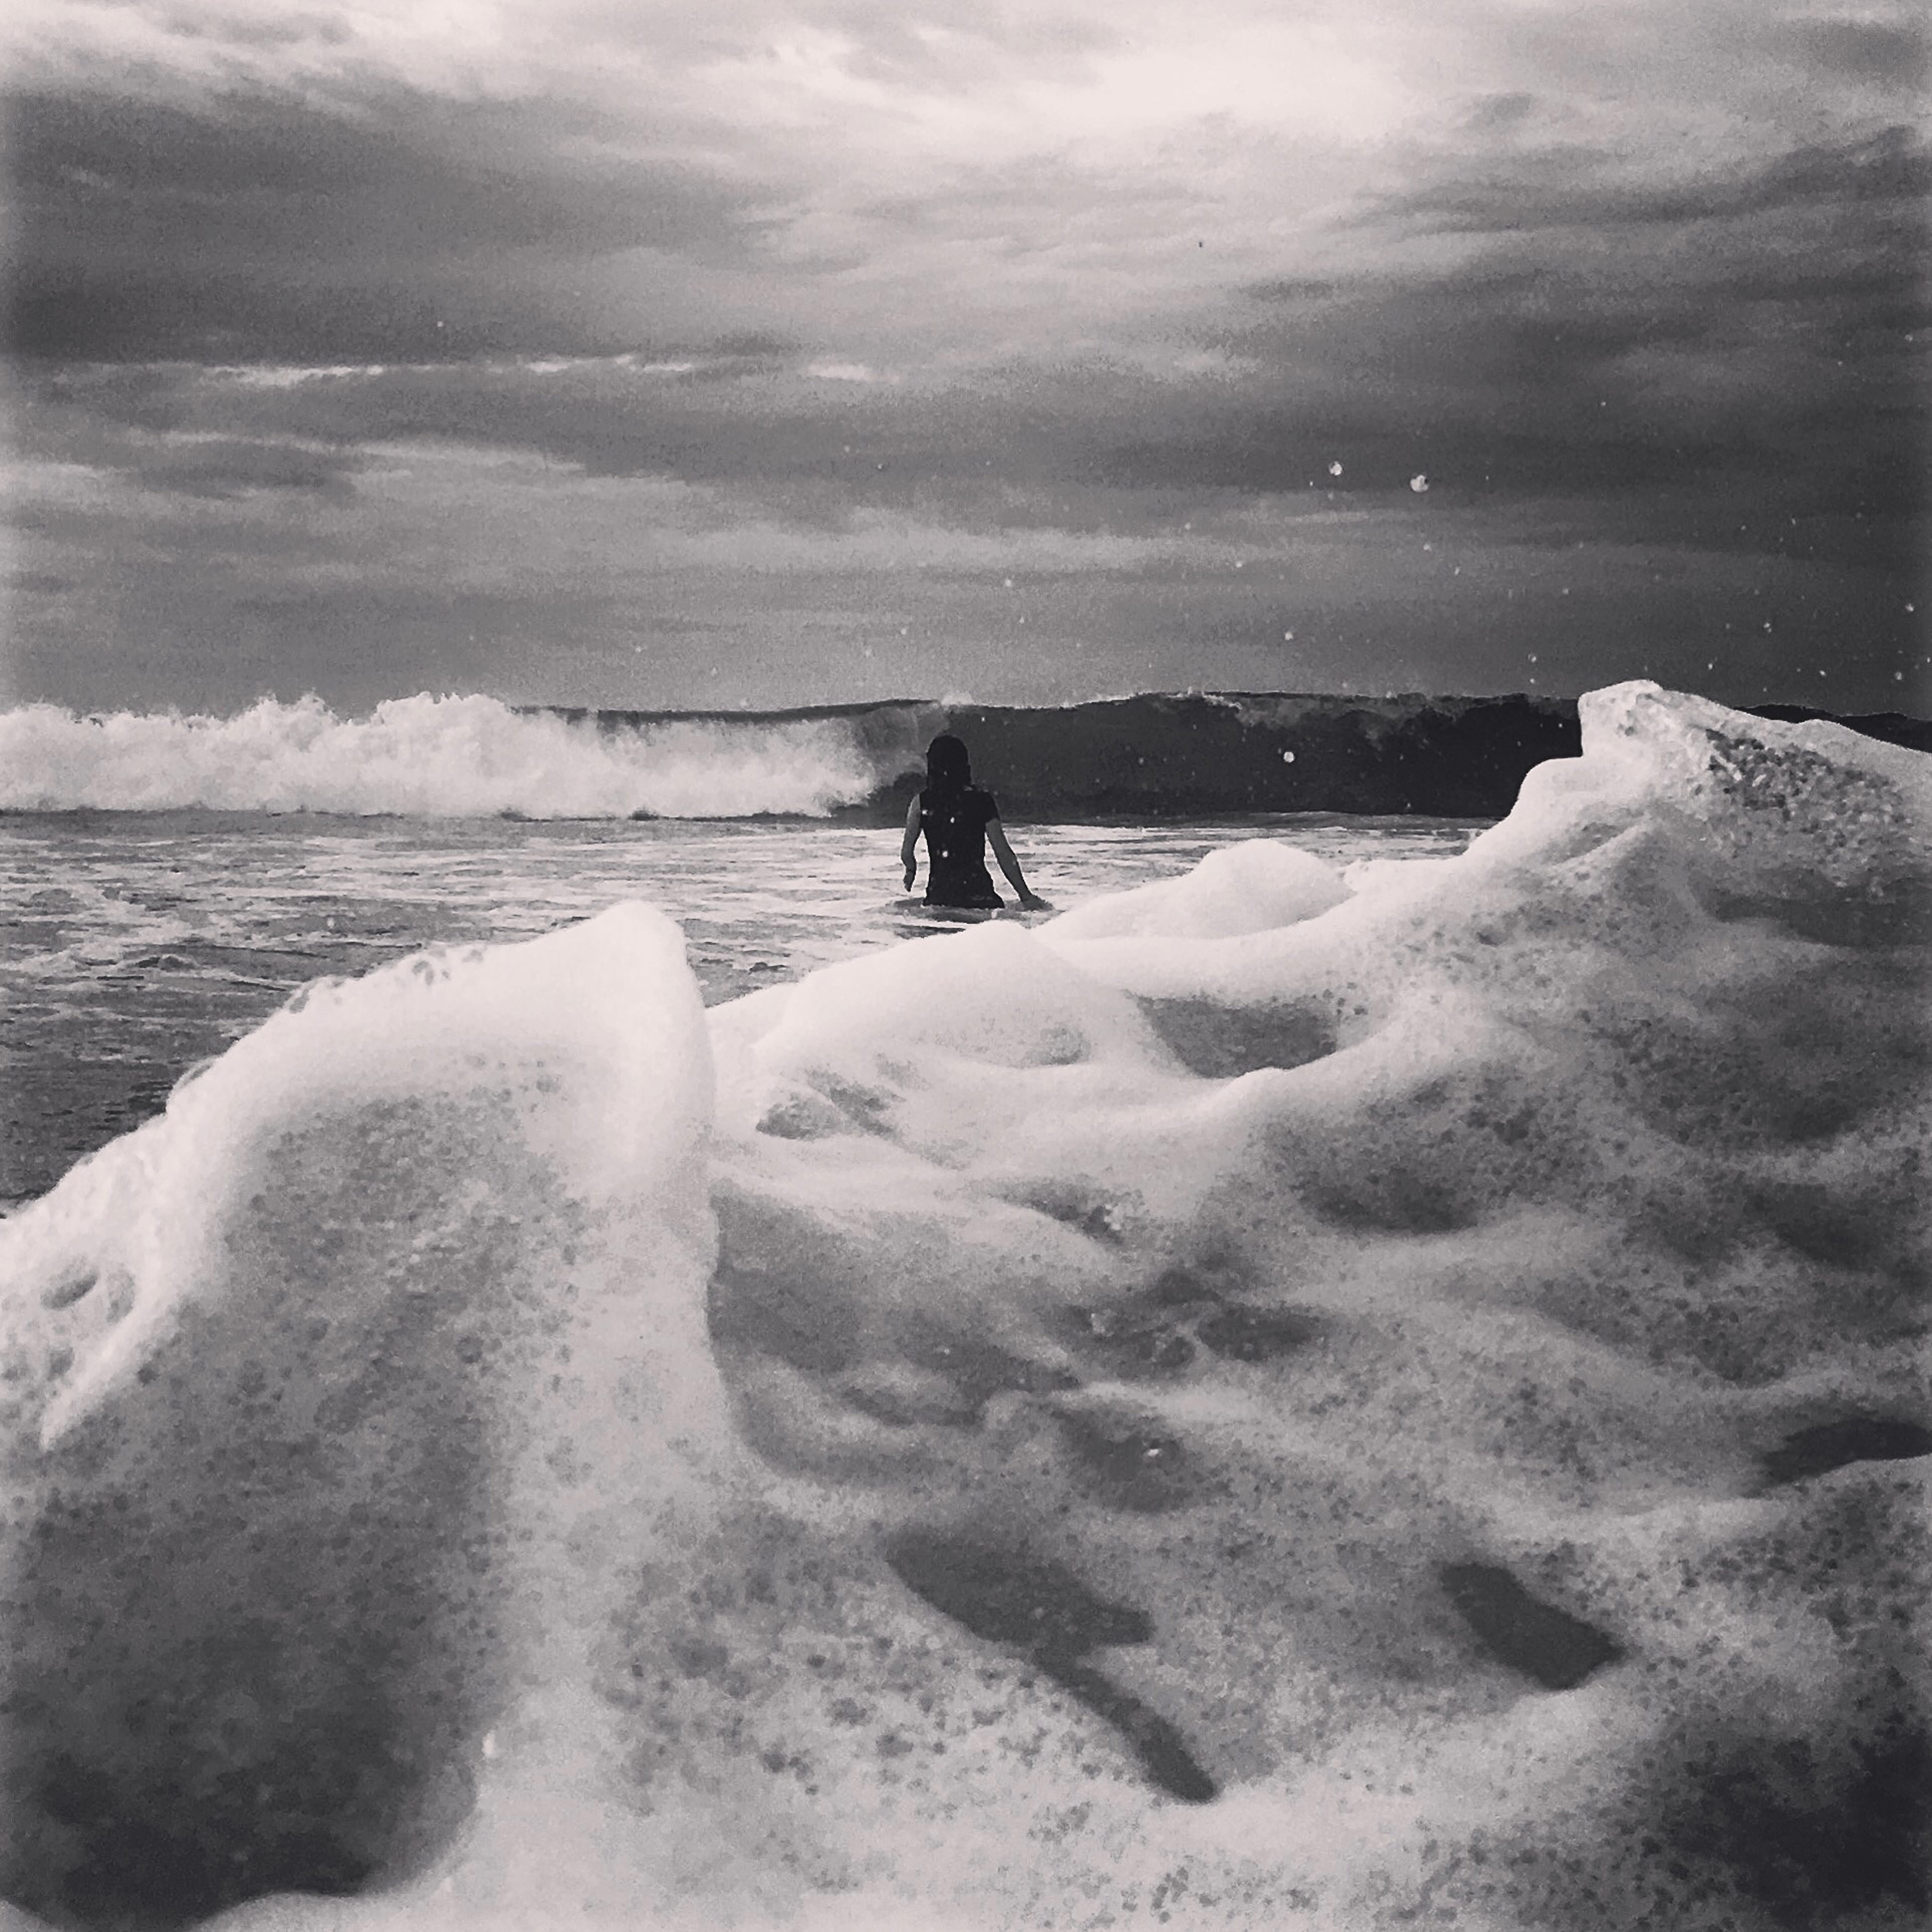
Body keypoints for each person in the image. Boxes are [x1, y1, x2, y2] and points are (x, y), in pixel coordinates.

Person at [902, 733, 1043, 910]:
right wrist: (1025, 896)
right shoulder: (982, 801)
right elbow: (1004, 854)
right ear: (964, 766)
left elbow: (907, 853)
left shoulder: (920, 802)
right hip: (979, 897)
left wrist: (911, 871)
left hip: (940, 898)